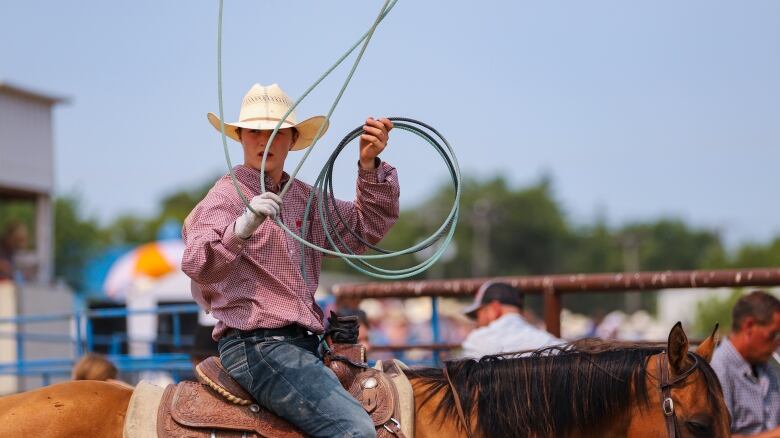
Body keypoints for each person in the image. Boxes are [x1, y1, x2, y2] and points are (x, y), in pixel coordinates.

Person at [182, 83, 399, 438]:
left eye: (276, 133)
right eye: (255, 131)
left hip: (301, 345)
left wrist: (368, 163)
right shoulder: (224, 196)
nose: (264, 140)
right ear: (240, 138)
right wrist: (242, 227)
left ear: (292, 139)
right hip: (258, 345)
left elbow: (365, 227)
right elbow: (197, 265)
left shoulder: (304, 197)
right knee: (354, 429)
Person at [710, 290, 780, 437]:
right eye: (773, 335)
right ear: (749, 326)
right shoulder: (718, 370)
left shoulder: (766, 367)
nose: (776, 343)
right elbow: (722, 436)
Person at [460, 281, 563, 358]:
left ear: (495, 309)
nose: (476, 322)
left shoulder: (476, 341)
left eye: (477, 315)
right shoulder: (552, 343)